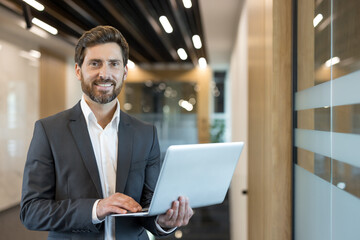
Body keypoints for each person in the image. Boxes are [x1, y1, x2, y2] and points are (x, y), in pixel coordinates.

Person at [20, 25, 193, 240]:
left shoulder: (145, 133)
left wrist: (163, 222)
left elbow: (147, 206)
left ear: (124, 72)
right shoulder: (49, 130)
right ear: (78, 70)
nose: (105, 74)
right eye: (95, 64)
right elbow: (31, 211)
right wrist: (96, 208)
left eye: (114, 64)